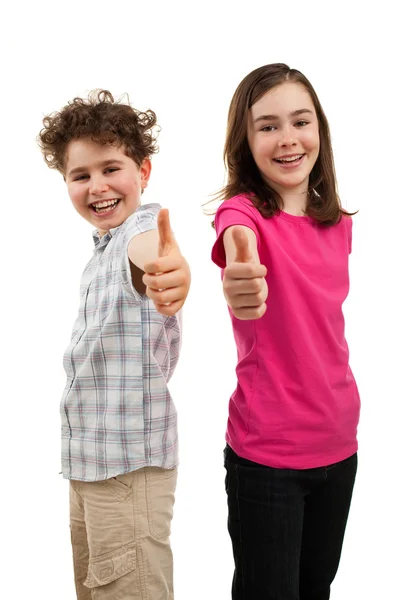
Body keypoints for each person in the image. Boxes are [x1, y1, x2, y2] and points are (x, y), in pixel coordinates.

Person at [211, 64, 360, 600]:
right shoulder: (243, 213)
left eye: (300, 121)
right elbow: (236, 236)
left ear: (318, 127)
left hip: (340, 444)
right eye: (267, 126)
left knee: (315, 590)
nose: (288, 139)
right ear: (245, 141)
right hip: (266, 457)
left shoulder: (339, 224)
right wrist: (241, 266)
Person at [38, 89, 190, 599]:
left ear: (143, 172)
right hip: (91, 470)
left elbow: (153, 254)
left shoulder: (139, 231)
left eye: (111, 168)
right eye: (80, 176)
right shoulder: (100, 250)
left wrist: (170, 271)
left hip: (127, 473)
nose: (97, 186)